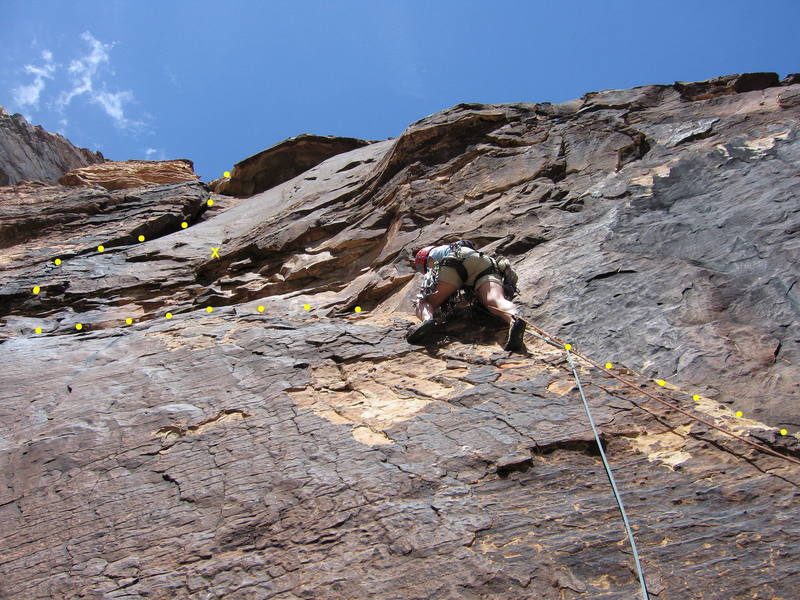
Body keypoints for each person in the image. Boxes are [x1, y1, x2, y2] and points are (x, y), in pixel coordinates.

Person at [407, 241, 526, 352]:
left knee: (425, 302)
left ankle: (428, 320)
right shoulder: (452, 247)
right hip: (485, 262)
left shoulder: (431, 256)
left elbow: (433, 282)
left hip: (455, 260)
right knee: (495, 300)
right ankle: (514, 317)